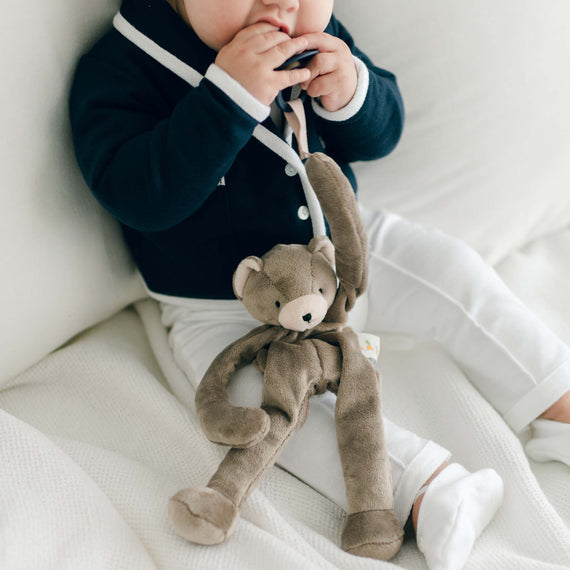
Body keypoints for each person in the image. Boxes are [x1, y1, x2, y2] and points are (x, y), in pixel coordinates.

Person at [69, 0, 570, 568]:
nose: (282, 3)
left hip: (344, 254)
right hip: (225, 309)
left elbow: (382, 133)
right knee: (256, 413)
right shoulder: (120, 67)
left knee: (456, 274)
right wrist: (227, 98)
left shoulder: (310, 33)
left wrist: (352, 89)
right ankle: (429, 488)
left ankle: (555, 394)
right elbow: (140, 197)